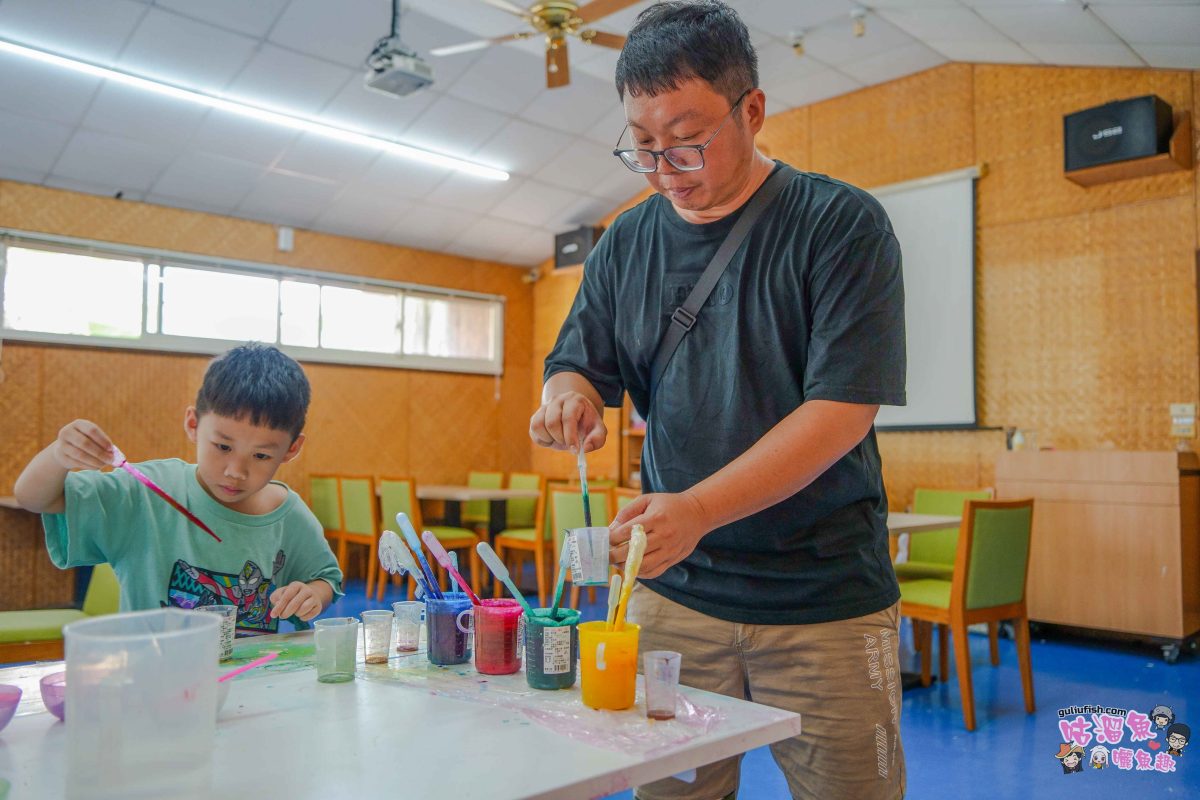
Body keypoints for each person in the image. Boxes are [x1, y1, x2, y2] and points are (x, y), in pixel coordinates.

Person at [530, 3, 905, 798]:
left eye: (689, 138)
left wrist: (696, 508)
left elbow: (840, 412)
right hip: (672, 599)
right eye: (643, 144)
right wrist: (569, 398)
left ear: (753, 110)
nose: (666, 166)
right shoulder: (626, 242)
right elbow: (577, 363)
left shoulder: (839, 226)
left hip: (823, 601)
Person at [14, 343, 343, 635]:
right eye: (222, 446)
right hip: (150, 680)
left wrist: (313, 594)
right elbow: (34, 498)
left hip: (250, 689)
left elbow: (326, 578)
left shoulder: (288, 515)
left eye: (260, 455)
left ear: (291, 450)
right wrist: (58, 455)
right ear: (193, 425)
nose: (235, 472)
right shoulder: (148, 492)